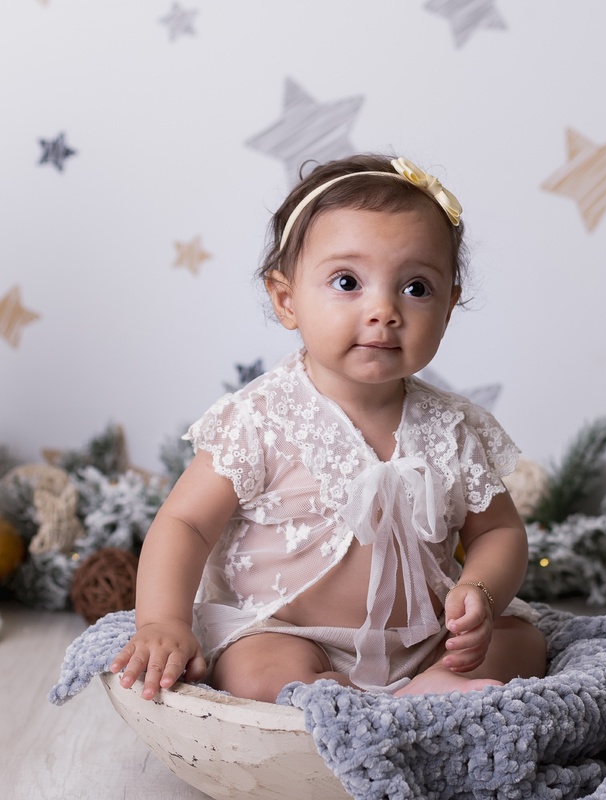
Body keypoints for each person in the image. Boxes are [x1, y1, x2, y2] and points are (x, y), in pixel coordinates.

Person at [110, 154, 546, 703]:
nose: (384, 310)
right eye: (347, 282)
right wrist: (162, 621)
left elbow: (498, 532)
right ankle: (337, 699)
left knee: (524, 644)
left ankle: (434, 684)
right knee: (255, 671)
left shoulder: (452, 428)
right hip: (290, 633)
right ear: (286, 299)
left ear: (450, 306)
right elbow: (186, 524)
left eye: (416, 288)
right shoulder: (261, 419)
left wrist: (479, 589)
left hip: (427, 637)